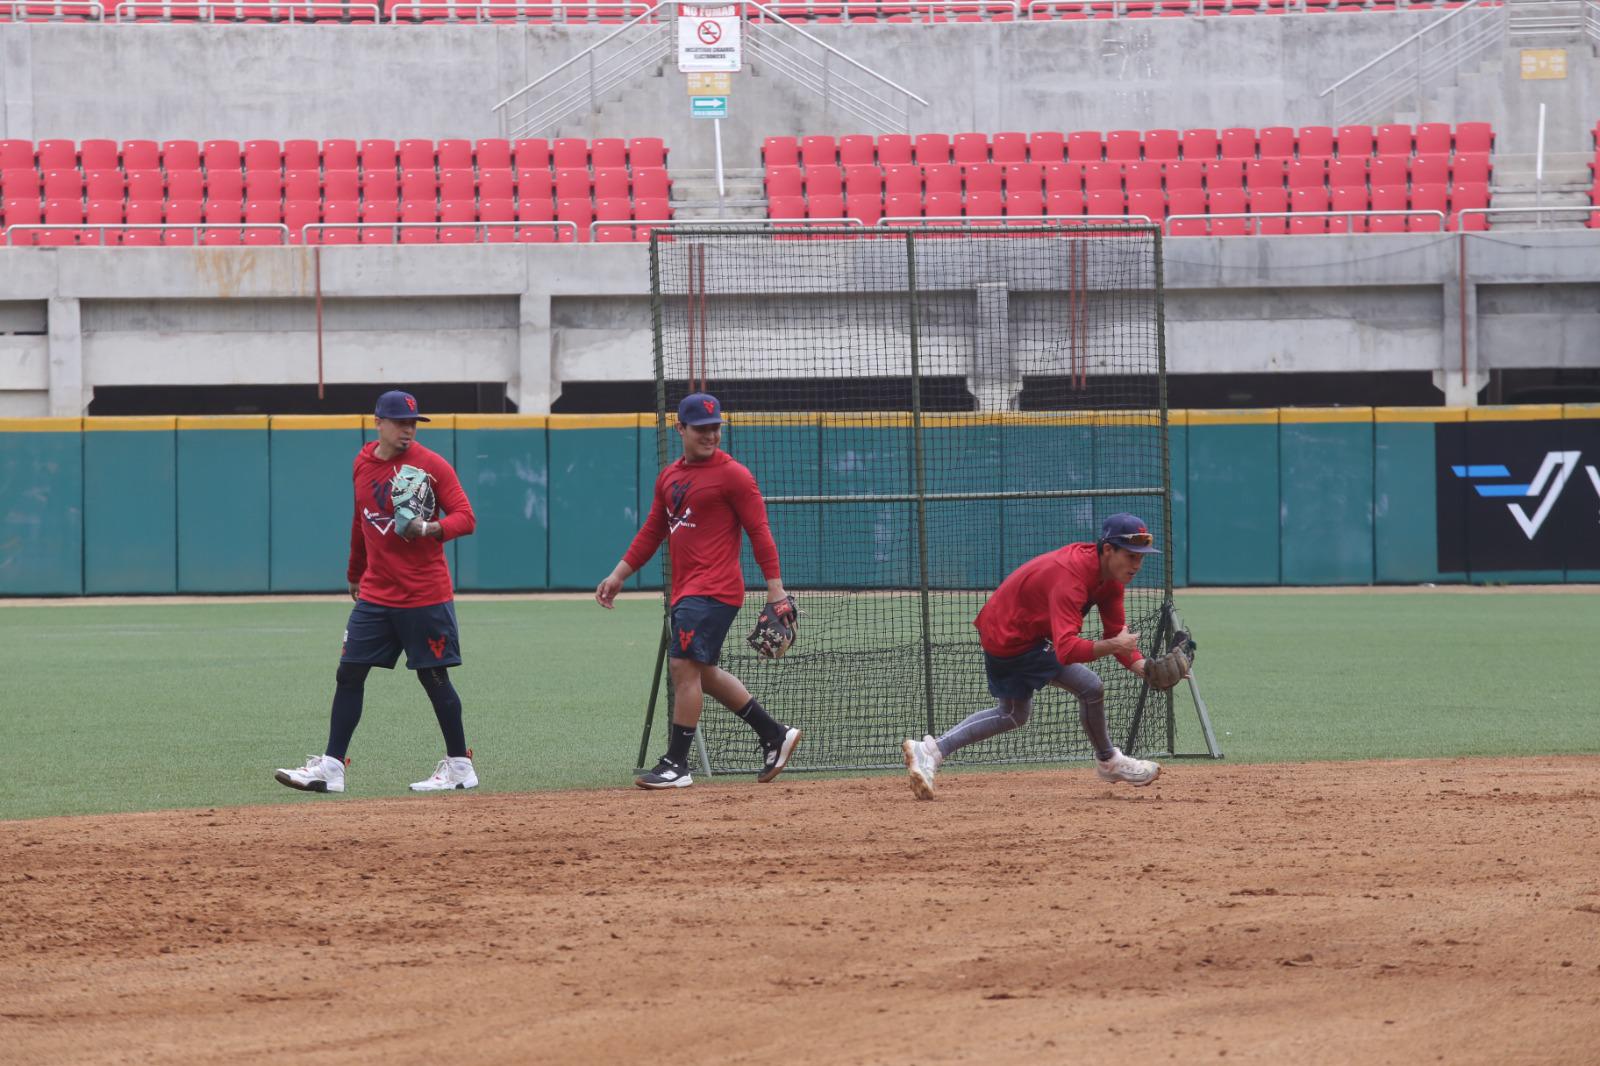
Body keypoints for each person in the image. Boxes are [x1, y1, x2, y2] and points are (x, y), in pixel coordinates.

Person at [275, 389, 479, 795]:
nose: (408, 430)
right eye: (400, 422)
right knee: (349, 672)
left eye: (414, 423)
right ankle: (331, 768)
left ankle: (460, 766)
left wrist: (431, 528)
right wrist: (355, 571)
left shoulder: (431, 465)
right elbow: (359, 520)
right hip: (376, 593)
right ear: (378, 423)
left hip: (424, 593)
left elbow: (466, 518)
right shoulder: (363, 462)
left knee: (433, 678)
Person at [595, 391, 802, 790]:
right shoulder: (669, 477)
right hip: (689, 590)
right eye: (702, 429)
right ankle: (773, 733)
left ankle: (676, 763)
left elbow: (760, 533)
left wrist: (776, 592)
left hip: (715, 589)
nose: (711, 435)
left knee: (681, 668)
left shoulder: (734, 475)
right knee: (701, 673)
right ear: (681, 429)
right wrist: (619, 574)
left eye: (716, 428)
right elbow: (653, 530)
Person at [901, 513, 1165, 800]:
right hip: (1009, 634)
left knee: (1014, 714)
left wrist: (1143, 667)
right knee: (1089, 687)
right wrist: (1115, 645)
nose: (1137, 564)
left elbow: (1117, 633)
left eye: (1141, 557)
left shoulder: (1111, 579)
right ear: (1108, 549)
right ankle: (1109, 761)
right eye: (1131, 556)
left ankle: (930, 750)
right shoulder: (1073, 579)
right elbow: (1067, 649)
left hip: (1016, 627)